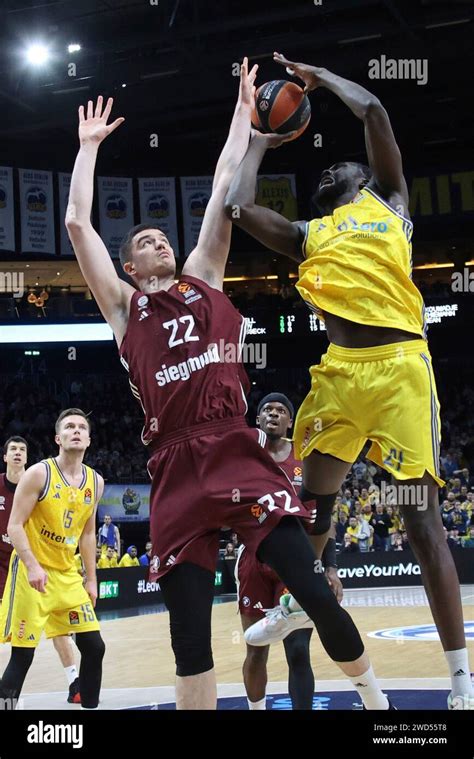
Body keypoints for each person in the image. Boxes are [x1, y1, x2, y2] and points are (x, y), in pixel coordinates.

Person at [66, 64, 390, 711]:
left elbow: (222, 187)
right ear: (132, 266)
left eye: (161, 236)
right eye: (144, 242)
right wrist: (88, 148)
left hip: (235, 445)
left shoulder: (204, 277)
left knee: (315, 591)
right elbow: (77, 225)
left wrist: (246, 113)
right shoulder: (126, 310)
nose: (157, 241)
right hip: (177, 464)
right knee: (189, 638)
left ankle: (377, 703)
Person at [225, 51, 473, 710]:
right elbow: (237, 206)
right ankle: (297, 605)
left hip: (400, 371)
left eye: (344, 165)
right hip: (339, 374)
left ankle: (459, 681)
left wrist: (318, 78)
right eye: (325, 169)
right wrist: (260, 138)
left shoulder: (392, 205)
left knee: (423, 525)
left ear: (367, 177)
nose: (332, 167)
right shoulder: (309, 232)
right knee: (315, 508)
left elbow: (374, 111)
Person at [236, 393, 341, 710]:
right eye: (267, 409)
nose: (273, 414)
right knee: (256, 649)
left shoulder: (306, 456)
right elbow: (233, 504)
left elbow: (324, 515)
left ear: (290, 421)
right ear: (258, 420)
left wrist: (331, 567)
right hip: (255, 559)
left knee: (298, 650)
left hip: (298, 560)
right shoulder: (243, 457)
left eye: (281, 410)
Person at [0, 409, 105, 710]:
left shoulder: (95, 482)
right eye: (69, 427)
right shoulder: (39, 474)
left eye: (82, 427)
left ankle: (89, 707)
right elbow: (14, 525)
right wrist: (32, 564)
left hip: (67, 575)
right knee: (23, 656)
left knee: (94, 646)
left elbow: (87, 535)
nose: (76, 430)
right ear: (58, 438)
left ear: (88, 439)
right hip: (33, 576)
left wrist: (92, 579)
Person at [1, 436, 82, 704]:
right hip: (5, 565)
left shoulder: (37, 480)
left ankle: (75, 683)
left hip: (32, 564)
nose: (17, 453)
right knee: (19, 647)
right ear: (5, 456)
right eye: (12, 449)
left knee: (58, 629)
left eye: (22, 450)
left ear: (26, 457)